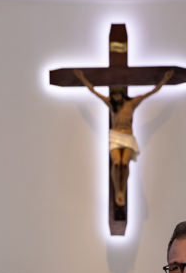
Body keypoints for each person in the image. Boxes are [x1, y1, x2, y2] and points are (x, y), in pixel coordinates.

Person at [73, 68, 174, 207]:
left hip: (128, 136)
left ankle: (122, 190)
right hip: (115, 136)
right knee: (116, 163)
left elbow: (151, 92)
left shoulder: (131, 103)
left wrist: (165, 79)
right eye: (114, 97)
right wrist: (82, 78)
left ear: (121, 94)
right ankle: (117, 191)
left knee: (125, 163)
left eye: (117, 96)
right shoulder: (110, 104)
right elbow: (93, 91)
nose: (116, 98)